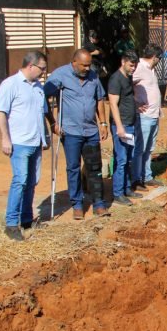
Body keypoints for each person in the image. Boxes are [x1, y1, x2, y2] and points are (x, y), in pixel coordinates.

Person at [0, 51, 53, 241]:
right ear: (30, 65)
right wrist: (5, 138)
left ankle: (26, 219)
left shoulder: (38, 87)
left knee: (32, 181)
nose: (43, 72)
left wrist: (46, 136)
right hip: (19, 142)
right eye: (41, 68)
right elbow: (0, 112)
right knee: (20, 180)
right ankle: (11, 223)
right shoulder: (10, 84)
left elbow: (41, 114)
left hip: (36, 142)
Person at [44, 49, 110, 220]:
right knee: (73, 168)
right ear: (74, 62)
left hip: (90, 131)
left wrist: (103, 123)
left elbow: (99, 99)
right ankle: (77, 204)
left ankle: (99, 204)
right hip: (71, 131)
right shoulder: (60, 75)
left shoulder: (93, 77)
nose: (87, 69)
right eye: (84, 65)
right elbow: (43, 97)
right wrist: (52, 122)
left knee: (94, 168)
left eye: (89, 65)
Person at [108, 50, 142, 205]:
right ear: (123, 62)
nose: (133, 68)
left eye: (134, 66)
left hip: (131, 122)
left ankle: (127, 188)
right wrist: (119, 127)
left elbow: (128, 97)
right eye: (131, 65)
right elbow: (113, 104)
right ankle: (118, 193)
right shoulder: (116, 79)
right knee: (121, 159)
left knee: (128, 158)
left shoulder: (128, 77)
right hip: (122, 125)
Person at [132, 44, 164, 188]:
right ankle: (136, 179)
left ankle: (147, 176)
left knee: (149, 148)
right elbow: (125, 86)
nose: (159, 60)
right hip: (143, 116)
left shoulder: (151, 70)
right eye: (159, 58)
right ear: (154, 57)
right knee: (140, 149)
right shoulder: (138, 68)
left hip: (154, 115)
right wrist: (135, 103)